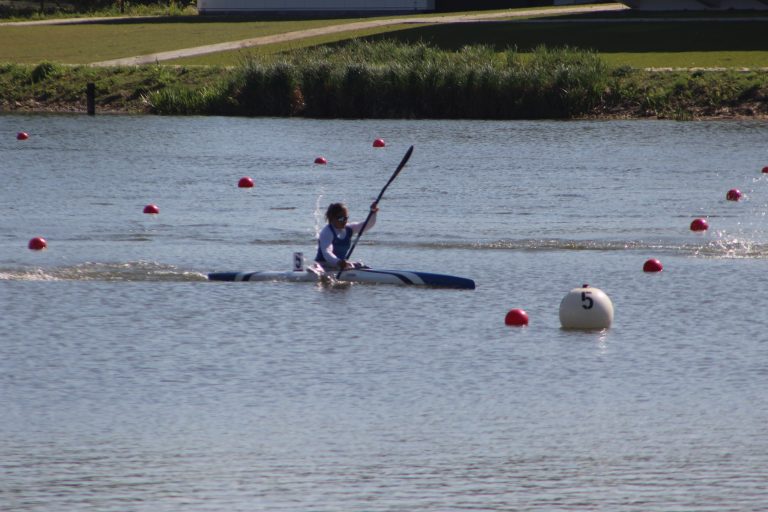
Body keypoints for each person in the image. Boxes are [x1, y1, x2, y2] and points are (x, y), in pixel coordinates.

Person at [315, 201, 379, 270]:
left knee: (360, 265)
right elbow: (327, 252)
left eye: (346, 218)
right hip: (323, 265)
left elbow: (367, 225)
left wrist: (373, 213)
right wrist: (338, 262)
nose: (344, 221)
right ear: (332, 218)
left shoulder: (349, 229)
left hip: (340, 265)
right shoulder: (327, 232)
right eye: (341, 219)